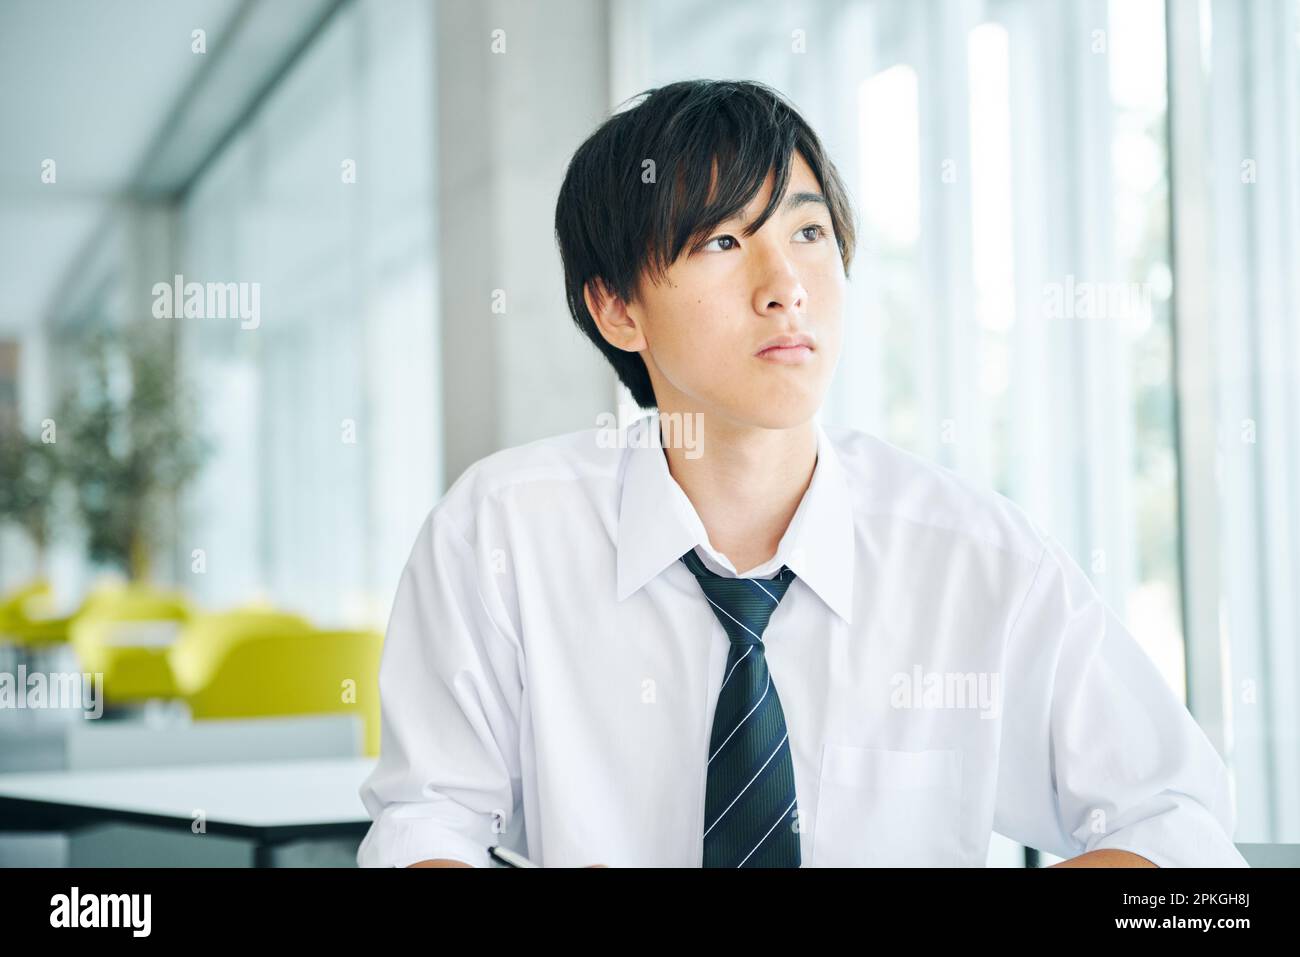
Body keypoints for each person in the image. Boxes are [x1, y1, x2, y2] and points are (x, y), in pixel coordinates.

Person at [356, 79, 1246, 868]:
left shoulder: (971, 554)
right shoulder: (503, 531)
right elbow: (424, 824)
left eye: (809, 231)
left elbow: (1183, 829)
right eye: (720, 243)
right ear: (617, 307)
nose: (787, 284)